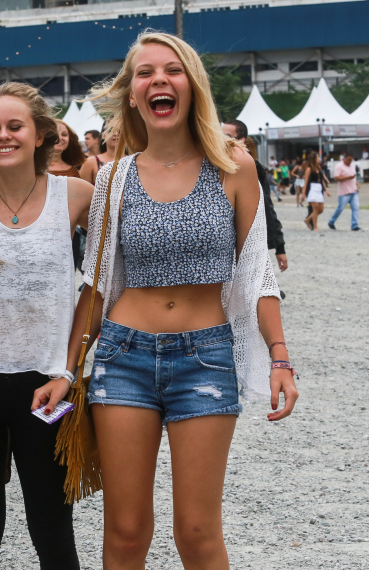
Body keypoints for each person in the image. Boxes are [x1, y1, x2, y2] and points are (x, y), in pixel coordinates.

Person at [75, 31, 298, 568]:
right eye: (146, 73)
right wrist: (67, 365)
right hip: (122, 357)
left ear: (192, 85)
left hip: (206, 356)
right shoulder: (113, 178)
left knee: (197, 533)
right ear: (132, 94)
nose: (159, 80)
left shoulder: (234, 167)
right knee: (125, 532)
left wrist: (280, 356)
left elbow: (256, 272)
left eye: (172, 70)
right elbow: (96, 283)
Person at [0, 82, 94, 569]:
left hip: (45, 385)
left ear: (41, 135)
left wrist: (67, 370)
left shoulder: (75, 195)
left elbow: (102, 283)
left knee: (52, 525)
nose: (3, 136)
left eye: (14, 126)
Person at [222, 120, 288, 274]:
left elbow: (266, 207)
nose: (221, 139)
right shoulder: (210, 165)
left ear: (241, 141)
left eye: (227, 136)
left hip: (245, 242)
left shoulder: (252, 168)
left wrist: (280, 247)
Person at [50, 120, 87, 276]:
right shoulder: (33, 168)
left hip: (71, 234)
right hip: (44, 232)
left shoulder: (76, 169)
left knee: (67, 277)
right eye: (55, 134)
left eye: (64, 134)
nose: (60, 137)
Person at [328, 151, 360, 231]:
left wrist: (356, 184)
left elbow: (353, 177)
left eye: (351, 160)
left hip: (353, 191)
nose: (350, 162)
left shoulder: (352, 166)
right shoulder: (339, 166)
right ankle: (331, 221)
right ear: (344, 158)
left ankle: (354, 225)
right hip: (344, 192)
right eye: (348, 160)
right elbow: (336, 178)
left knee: (356, 207)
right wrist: (347, 178)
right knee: (340, 208)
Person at [80, 120, 117, 185]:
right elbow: (81, 191)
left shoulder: (135, 160)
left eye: (121, 130)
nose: (116, 133)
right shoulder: (90, 162)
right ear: (103, 135)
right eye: (110, 130)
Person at [302, 151, 330, 232]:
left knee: (321, 209)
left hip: (319, 188)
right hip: (312, 189)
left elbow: (322, 180)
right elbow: (306, 181)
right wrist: (304, 193)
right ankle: (315, 227)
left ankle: (308, 219)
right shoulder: (309, 169)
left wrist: (326, 190)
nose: (319, 159)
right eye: (317, 157)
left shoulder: (319, 168)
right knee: (315, 209)